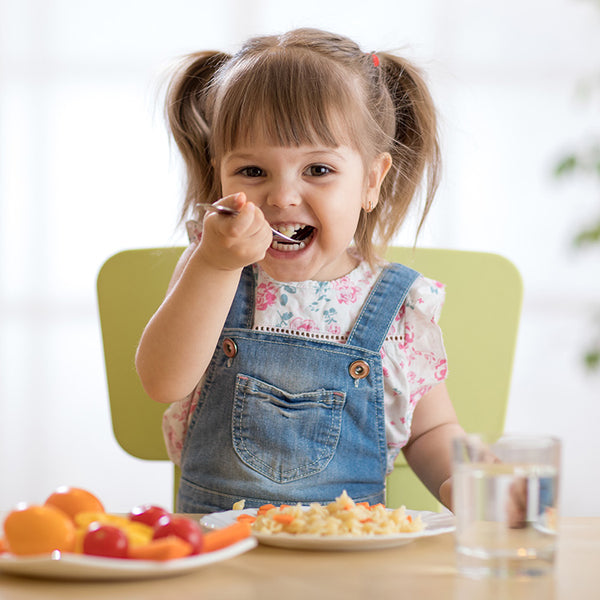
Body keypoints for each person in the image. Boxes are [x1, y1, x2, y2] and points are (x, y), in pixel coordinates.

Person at [135, 28, 465, 513]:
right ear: (220, 172)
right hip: (220, 557)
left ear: (371, 181)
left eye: (318, 170)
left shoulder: (397, 306)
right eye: (252, 171)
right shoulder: (212, 272)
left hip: (346, 566)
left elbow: (432, 430)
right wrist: (214, 263)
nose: (282, 197)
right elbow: (162, 382)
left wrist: (464, 483)